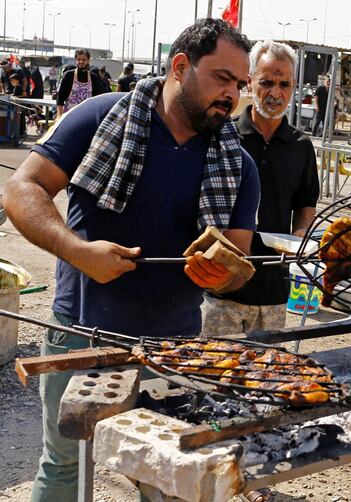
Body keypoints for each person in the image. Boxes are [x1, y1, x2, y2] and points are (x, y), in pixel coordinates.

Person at [2, 19, 258, 501]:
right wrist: (77, 252)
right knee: (63, 468)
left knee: (165, 479)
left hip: (174, 348)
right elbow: (22, 188)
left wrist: (222, 276)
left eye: (240, 84)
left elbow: (236, 258)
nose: (233, 95)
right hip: (81, 333)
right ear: (181, 67)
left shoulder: (237, 164)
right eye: (223, 79)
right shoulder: (100, 117)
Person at [201, 40, 319, 336]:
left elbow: (306, 203)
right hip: (222, 291)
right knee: (212, 374)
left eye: (285, 84)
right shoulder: (223, 137)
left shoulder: (301, 146)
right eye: (267, 82)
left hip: (274, 292)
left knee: (264, 377)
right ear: (250, 83)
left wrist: (301, 236)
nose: (276, 93)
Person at [56, 49, 107, 118]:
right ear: (76, 60)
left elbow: (97, 99)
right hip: (69, 115)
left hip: (87, 116)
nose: (81, 62)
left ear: (88, 61)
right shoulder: (68, 75)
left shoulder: (94, 77)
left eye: (84, 59)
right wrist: (59, 115)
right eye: (79, 59)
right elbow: (60, 97)